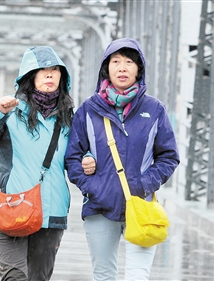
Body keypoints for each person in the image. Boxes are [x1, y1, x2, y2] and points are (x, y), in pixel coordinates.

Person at [65, 37, 180, 281]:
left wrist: (143, 184)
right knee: (104, 275)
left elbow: (168, 157)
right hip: (99, 206)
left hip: (141, 205)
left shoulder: (155, 109)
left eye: (129, 62)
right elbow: (73, 157)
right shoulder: (88, 110)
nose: (122, 67)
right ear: (107, 68)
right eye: (115, 61)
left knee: (138, 276)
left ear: (139, 69)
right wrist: (93, 187)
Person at [0, 46, 74, 281]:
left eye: (55, 70)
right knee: (15, 277)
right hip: (11, 208)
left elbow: (77, 161)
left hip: (52, 214)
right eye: (43, 70)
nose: (50, 75)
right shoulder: (9, 111)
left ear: (62, 76)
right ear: (30, 76)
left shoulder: (69, 117)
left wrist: (89, 159)